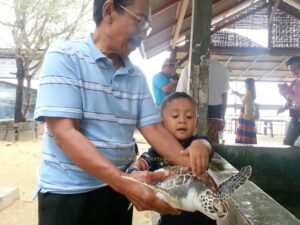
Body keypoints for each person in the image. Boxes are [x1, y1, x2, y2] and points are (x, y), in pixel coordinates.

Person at [33, 1, 207, 225]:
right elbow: (65, 132)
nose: (143, 33)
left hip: (118, 191)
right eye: (140, 21)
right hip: (69, 193)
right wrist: (123, 181)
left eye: (147, 25)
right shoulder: (65, 57)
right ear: (109, 10)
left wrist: (190, 168)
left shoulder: (136, 76)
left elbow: (153, 128)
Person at [127, 92, 216, 225]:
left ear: (196, 122)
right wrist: (134, 171)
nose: (182, 120)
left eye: (189, 116)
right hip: (170, 219)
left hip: (203, 220)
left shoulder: (198, 142)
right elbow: (140, 163)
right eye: (175, 116)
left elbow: (206, 145)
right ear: (161, 123)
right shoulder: (156, 153)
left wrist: (199, 146)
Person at [176, 58, 230, 143]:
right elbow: (224, 97)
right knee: (212, 146)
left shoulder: (188, 69)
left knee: (191, 145)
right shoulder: (222, 69)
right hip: (215, 116)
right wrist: (222, 116)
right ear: (212, 47)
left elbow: (181, 96)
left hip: (192, 114)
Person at [277, 55, 300, 145]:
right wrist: (283, 107)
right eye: (291, 70)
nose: (295, 72)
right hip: (295, 118)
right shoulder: (294, 83)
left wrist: (287, 93)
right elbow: (291, 101)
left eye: (297, 68)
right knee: (287, 143)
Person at [232, 78, 259, 144]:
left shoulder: (248, 92)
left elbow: (244, 101)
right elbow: (243, 97)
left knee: (244, 130)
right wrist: (237, 94)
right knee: (249, 130)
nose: (245, 85)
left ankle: (244, 143)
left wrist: (237, 94)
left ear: (248, 84)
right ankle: (249, 142)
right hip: (250, 114)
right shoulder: (251, 93)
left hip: (245, 114)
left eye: (245, 84)